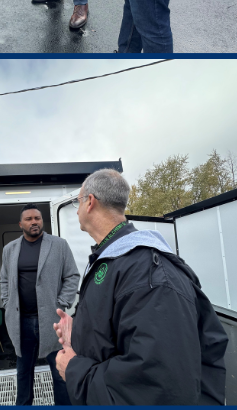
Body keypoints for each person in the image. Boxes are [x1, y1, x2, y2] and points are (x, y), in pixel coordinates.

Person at [51, 168, 228, 404]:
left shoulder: (150, 275)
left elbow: (155, 388)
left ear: (90, 202)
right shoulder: (113, 261)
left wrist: (73, 369)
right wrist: (81, 331)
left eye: (77, 203)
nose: (77, 211)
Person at [0, 204, 80, 406]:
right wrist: (7, 302)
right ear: (21, 224)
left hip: (52, 321)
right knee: (23, 371)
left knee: (59, 369)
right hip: (21, 321)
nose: (34, 222)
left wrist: (62, 303)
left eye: (37, 218)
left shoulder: (59, 245)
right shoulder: (10, 249)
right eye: (29, 219)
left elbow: (72, 275)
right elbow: (4, 280)